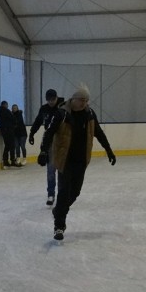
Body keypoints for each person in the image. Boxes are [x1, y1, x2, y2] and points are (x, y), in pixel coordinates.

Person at [38, 85, 116, 241]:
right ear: (73, 99)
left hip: (81, 161)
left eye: (87, 100)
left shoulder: (90, 114)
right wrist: (43, 151)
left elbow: (98, 133)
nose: (84, 103)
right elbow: (49, 133)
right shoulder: (62, 114)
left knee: (75, 193)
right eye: (82, 100)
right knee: (64, 191)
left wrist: (109, 150)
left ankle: (58, 211)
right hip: (65, 160)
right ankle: (59, 226)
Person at [29, 89, 65, 205]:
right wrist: (32, 133)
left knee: (62, 170)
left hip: (62, 141)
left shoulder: (63, 107)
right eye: (48, 100)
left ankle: (63, 194)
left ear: (56, 97)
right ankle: (51, 194)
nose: (51, 102)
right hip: (49, 140)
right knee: (50, 169)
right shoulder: (44, 109)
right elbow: (38, 121)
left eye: (53, 100)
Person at [0, 100, 17, 168]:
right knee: (12, 145)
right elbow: (13, 119)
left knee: (7, 146)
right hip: (9, 130)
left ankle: (5, 161)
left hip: (3, 130)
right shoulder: (6, 111)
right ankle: (12, 161)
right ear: (5, 105)